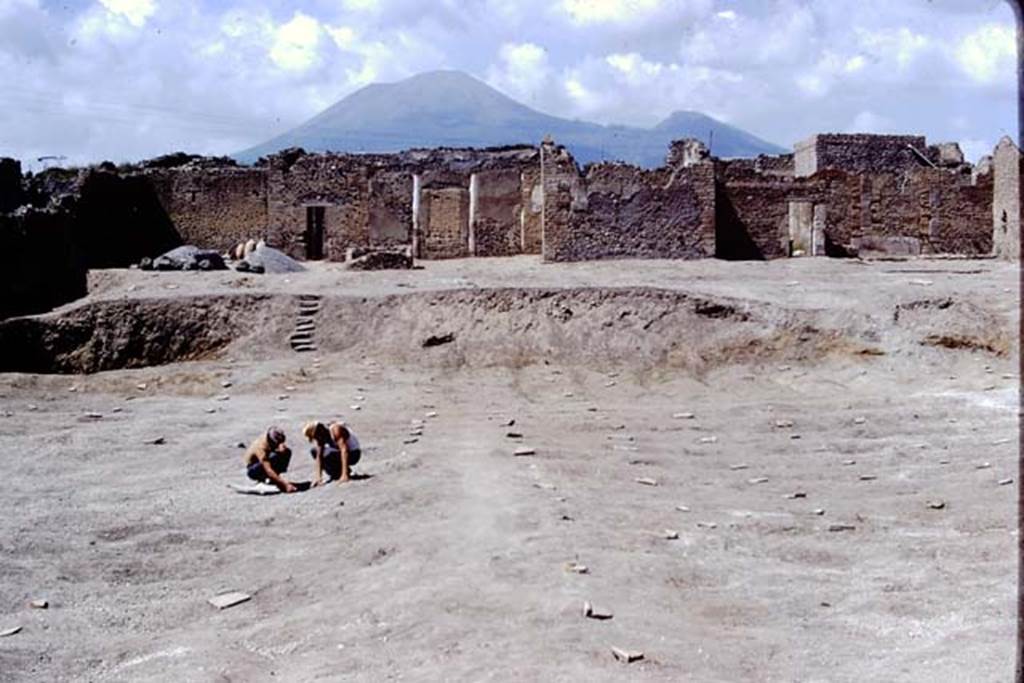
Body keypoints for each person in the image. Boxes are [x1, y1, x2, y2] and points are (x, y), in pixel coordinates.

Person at [302, 420, 362, 486]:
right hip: (340, 453)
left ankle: (345, 472)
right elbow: (319, 456)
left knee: (329, 454)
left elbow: (344, 451)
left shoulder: (336, 430)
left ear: (320, 430)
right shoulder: (322, 436)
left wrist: (345, 474)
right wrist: (318, 478)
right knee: (314, 451)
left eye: (316, 436)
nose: (317, 439)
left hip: (353, 454)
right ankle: (338, 473)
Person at [243, 426, 297, 493]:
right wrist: (285, 485)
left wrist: (281, 446)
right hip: (253, 469)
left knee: (286, 452)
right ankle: (262, 480)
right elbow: (268, 469)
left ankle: (274, 479)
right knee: (274, 456)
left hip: (265, 460)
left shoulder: (270, 437)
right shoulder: (261, 447)